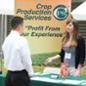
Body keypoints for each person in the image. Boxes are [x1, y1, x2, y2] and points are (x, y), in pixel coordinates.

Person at [2, 16, 34, 86]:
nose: (24, 28)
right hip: (20, 76)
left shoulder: (7, 39)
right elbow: (26, 59)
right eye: (23, 25)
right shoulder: (21, 40)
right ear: (19, 26)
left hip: (9, 75)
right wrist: (30, 73)